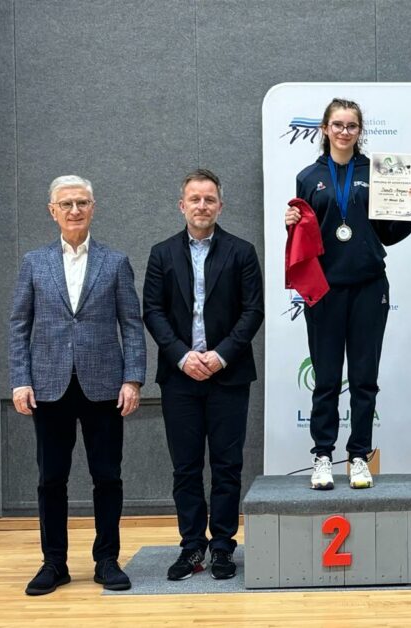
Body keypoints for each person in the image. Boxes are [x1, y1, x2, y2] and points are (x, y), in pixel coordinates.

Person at [10, 175, 146, 595]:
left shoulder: (115, 262)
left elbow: (132, 325)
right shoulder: (34, 262)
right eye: (66, 204)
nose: (74, 210)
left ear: (93, 208)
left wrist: (132, 379)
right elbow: (19, 325)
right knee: (51, 479)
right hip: (48, 385)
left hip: (104, 386)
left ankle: (107, 559)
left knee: (107, 476)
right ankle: (54, 563)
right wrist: (20, 380)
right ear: (52, 211)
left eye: (82, 203)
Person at [285, 98, 411, 491]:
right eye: (337, 125)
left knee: (364, 378)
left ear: (359, 130)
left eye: (351, 126)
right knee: (327, 379)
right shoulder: (308, 177)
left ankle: (359, 456)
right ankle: (322, 455)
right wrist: (290, 223)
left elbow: (388, 234)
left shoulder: (377, 173)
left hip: (368, 286)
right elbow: (305, 237)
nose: (344, 132)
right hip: (324, 289)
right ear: (325, 129)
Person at [143, 169, 264, 580]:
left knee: (227, 465)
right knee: (186, 467)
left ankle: (223, 546)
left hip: (228, 375)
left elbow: (253, 311)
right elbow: (152, 312)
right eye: (194, 199)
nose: (201, 206)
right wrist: (182, 356)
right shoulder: (161, 253)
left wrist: (221, 355)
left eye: (209, 199)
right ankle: (192, 546)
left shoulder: (241, 252)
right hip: (180, 378)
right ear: (182, 205)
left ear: (220, 206)